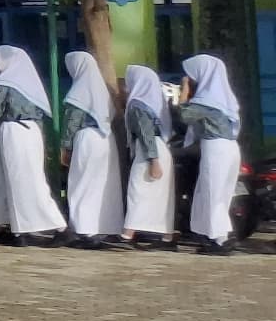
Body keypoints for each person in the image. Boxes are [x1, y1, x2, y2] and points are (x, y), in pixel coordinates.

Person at [0, 44, 60, 242]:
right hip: (33, 132)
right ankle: (32, 228)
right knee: (32, 180)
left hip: (13, 131)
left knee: (17, 180)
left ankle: (31, 230)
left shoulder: (4, 82)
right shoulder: (28, 82)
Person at [176, 53, 242, 249]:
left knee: (212, 192)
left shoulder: (206, 100)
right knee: (218, 193)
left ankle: (218, 239)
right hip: (230, 147)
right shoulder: (225, 98)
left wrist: (184, 90)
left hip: (216, 148)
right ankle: (210, 234)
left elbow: (183, 115)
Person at [59, 48, 121, 245]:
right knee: (102, 185)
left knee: (81, 184)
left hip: (86, 139)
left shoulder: (79, 91)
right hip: (106, 140)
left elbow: (72, 123)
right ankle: (102, 228)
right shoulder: (101, 90)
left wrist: (65, 147)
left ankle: (83, 229)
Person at [117, 61, 176, 246]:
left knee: (138, 190)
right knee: (161, 196)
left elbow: (145, 133)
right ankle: (167, 237)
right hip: (161, 149)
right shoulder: (154, 102)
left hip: (149, 151)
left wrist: (153, 160)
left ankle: (128, 234)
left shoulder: (137, 105)